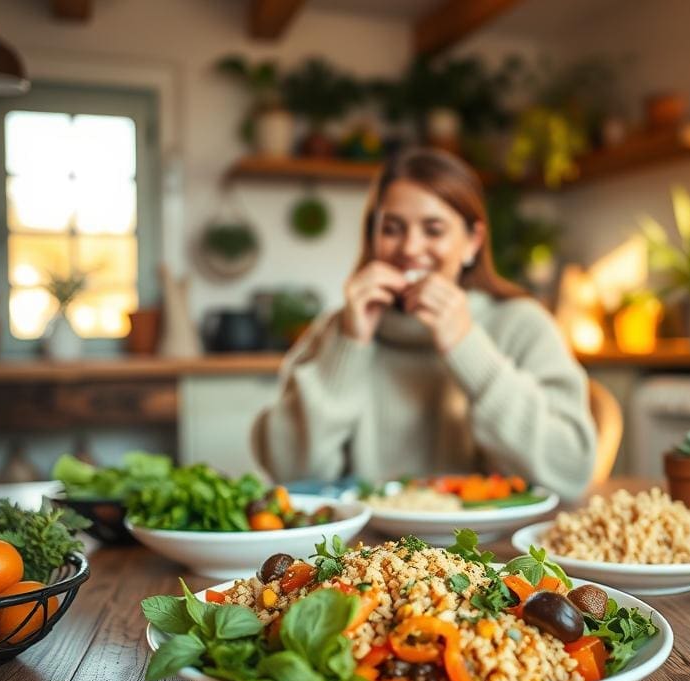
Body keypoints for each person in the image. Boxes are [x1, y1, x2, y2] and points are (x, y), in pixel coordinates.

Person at [253, 148, 596, 499]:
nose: (411, 247)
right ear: (372, 237)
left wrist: (468, 348)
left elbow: (570, 474)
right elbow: (288, 476)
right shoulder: (336, 329)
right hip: (363, 549)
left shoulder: (523, 324)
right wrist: (348, 345)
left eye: (433, 230)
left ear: (472, 243)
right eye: (392, 229)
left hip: (491, 549)